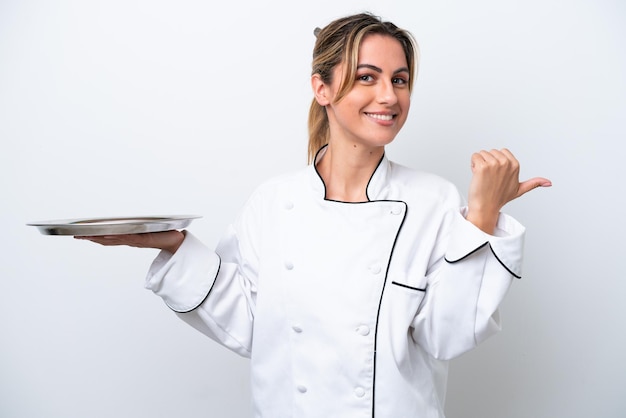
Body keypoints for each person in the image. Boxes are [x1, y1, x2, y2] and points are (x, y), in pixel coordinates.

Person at [77, 12, 551, 418]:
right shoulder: (274, 200)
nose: (388, 96)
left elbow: (445, 336)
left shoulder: (432, 199)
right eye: (367, 77)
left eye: (399, 79)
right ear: (321, 88)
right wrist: (176, 247)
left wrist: (483, 217)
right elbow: (249, 325)